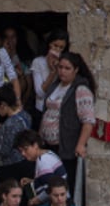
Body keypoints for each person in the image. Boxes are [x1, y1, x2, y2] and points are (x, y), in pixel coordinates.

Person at [40, 52, 96, 198]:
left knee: (67, 184)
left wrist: (81, 144)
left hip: (67, 146)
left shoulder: (80, 90)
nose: (62, 71)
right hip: (49, 145)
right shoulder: (55, 86)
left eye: (67, 68)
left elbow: (88, 121)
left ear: (76, 70)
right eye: (60, 67)